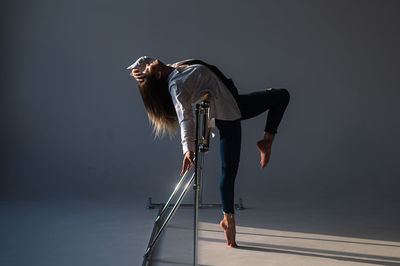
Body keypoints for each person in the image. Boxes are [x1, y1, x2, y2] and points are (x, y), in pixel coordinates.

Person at [128, 56, 290, 248]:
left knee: (282, 95)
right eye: (147, 68)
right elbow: (184, 118)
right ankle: (228, 219)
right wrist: (188, 149)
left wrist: (135, 70)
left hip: (232, 98)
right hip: (228, 112)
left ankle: (266, 142)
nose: (147, 64)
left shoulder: (173, 68)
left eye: (146, 66)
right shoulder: (175, 86)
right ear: (158, 75)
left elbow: (146, 59)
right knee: (229, 170)